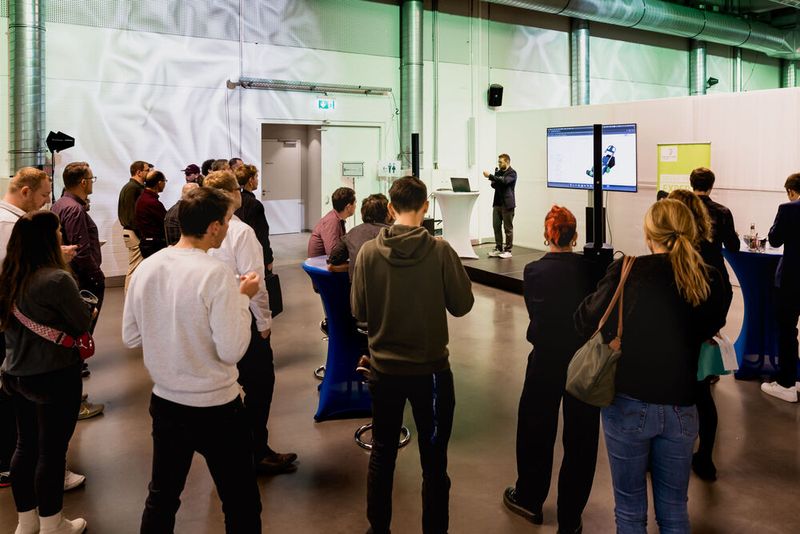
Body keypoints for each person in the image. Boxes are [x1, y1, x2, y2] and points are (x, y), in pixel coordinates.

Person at [575, 199, 726, 533]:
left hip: (628, 403)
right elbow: (713, 321)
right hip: (682, 406)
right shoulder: (709, 279)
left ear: (648, 234)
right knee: (674, 510)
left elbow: (586, 320)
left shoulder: (628, 271)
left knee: (629, 510)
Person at [123, 187, 263, 533]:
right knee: (241, 500)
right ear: (214, 227)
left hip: (167, 404)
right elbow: (231, 350)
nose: (231, 228)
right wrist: (243, 299)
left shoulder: (148, 267)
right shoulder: (214, 274)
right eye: (228, 221)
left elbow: (131, 336)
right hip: (217, 409)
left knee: (162, 498)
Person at [351, 176, 474, 534]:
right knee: (435, 463)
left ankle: (379, 529)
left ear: (390, 209)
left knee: (382, 454)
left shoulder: (370, 252)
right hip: (432, 373)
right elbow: (463, 305)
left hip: (384, 372)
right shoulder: (441, 251)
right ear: (425, 208)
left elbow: (359, 309)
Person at [503, 206, 598, 534]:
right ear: (576, 236)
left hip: (545, 359)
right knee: (581, 438)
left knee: (534, 427)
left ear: (547, 235)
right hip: (583, 362)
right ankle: (571, 517)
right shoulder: (590, 271)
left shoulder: (533, 271)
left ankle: (529, 497)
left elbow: (534, 312)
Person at [0, 211, 92, 534]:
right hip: (54, 374)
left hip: (15, 373)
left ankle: (25, 522)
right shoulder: (57, 279)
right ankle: (53, 523)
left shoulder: (8, 275)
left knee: (24, 447)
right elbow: (81, 322)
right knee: (52, 451)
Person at [204, 171, 297, 473]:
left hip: (212, 319)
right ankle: (255, 451)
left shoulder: (202, 228)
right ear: (233, 194)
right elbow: (254, 282)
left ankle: (236, 448)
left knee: (228, 385)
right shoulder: (241, 232)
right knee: (260, 385)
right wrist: (264, 322)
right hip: (242, 318)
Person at [668, 189, 731, 481]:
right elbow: (724, 293)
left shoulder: (668, 256)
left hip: (675, 345)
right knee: (703, 398)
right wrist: (710, 329)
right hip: (700, 341)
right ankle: (705, 457)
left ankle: (663, 460)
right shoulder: (710, 250)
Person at [50, 162, 106, 420]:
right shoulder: (73, 208)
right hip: (85, 282)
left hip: (76, 279)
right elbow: (79, 251)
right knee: (79, 343)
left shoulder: (61, 204)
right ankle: (72, 402)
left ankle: (71, 395)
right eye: (91, 178)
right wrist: (95, 276)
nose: (93, 181)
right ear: (83, 182)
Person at [761, 172, 800, 403]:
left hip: (792, 281)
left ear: (790, 191)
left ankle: (786, 384)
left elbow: (774, 240)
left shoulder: (788, 209)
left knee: (787, 331)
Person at [690, 167, 739, 308]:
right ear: (711, 185)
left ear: (691, 184)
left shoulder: (680, 209)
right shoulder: (722, 212)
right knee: (726, 294)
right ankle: (714, 329)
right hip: (713, 269)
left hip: (685, 266)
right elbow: (733, 246)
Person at [328, 193, 392, 280]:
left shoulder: (352, 233)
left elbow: (334, 258)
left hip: (356, 290)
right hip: (386, 289)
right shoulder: (392, 233)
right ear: (388, 213)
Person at [118, 160, 151, 292]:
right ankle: (129, 300)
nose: (149, 173)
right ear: (139, 172)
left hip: (131, 231)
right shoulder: (134, 189)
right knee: (135, 267)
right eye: (147, 170)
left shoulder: (129, 187)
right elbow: (133, 215)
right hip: (134, 233)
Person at [234, 164, 274, 272]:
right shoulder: (255, 204)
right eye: (256, 177)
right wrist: (268, 258)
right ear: (250, 180)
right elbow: (262, 234)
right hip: (254, 253)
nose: (257, 180)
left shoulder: (237, 201)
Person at [483, 153, 517, 258]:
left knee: (508, 229)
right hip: (497, 203)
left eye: (501, 162)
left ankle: (508, 250)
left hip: (507, 205)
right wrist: (495, 178)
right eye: (498, 162)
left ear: (507, 162)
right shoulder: (498, 172)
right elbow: (493, 184)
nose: (499, 163)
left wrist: (491, 176)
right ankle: (498, 248)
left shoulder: (512, 173)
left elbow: (505, 181)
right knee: (496, 226)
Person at [308, 187, 356, 258]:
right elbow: (332, 253)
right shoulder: (332, 221)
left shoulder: (336, 218)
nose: (356, 206)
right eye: (355, 203)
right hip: (321, 265)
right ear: (348, 207)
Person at [134, 170, 168, 258]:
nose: (165, 184)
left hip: (148, 244)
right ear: (159, 183)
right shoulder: (151, 202)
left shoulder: (143, 198)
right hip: (154, 246)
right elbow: (166, 221)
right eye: (165, 181)